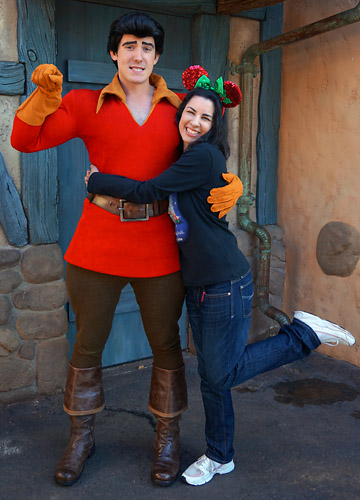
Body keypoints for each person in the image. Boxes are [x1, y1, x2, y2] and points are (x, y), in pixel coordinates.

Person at [85, 65, 356, 487]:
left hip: (223, 283)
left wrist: (96, 179)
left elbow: (147, 191)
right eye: (190, 112)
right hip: (203, 282)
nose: (194, 121)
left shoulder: (203, 155)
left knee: (221, 374)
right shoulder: (190, 156)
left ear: (214, 127)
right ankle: (220, 455)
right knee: (212, 378)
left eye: (205, 118)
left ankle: (304, 334)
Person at [10, 13, 242, 488]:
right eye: (130, 46)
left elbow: (207, 148)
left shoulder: (179, 107)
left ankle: (168, 439)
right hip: (97, 244)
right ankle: (80, 437)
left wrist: (229, 182)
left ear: (158, 56)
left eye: (148, 47)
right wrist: (43, 100)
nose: (139, 55)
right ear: (114, 52)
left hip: (160, 246)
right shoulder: (82, 102)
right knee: (87, 346)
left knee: (166, 346)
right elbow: (24, 139)